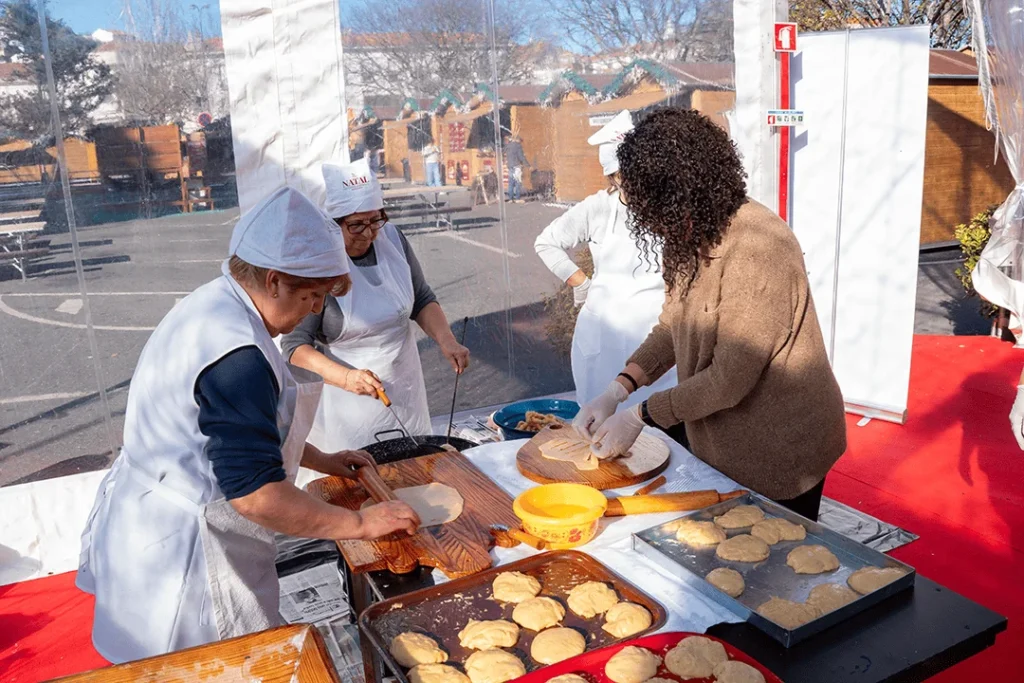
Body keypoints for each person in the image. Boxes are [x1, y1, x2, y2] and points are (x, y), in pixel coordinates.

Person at [76, 187, 420, 664]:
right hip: (186, 550)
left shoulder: (217, 302)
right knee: (210, 667)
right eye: (313, 295)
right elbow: (257, 496)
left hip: (151, 512)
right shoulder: (236, 355)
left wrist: (320, 458)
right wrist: (359, 523)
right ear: (275, 280)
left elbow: (236, 433)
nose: (316, 310)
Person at [573, 108, 847, 521]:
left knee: (769, 560)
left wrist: (640, 416)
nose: (650, 219)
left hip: (783, 447)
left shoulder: (760, 247)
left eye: (652, 203)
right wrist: (618, 389)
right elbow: (672, 325)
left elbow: (728, 380)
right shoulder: (687, 232)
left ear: (683, 189)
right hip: (720, 436)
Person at [282, 159, 469, 455]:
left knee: (415, 467)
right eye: (356, 225)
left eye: (375, 220)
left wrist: (447, 340)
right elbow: (294, 347)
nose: (369, 234)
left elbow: (421, 298)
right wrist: (346, 378)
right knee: (361, 480)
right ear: (333, 223)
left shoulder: (394, 240)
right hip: (348, 399)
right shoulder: (318, 264)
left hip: (405, 384)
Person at [534, 110, 675, 409]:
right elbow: (546, 242)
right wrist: (580, 281)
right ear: (612, 176)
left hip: (655, 339)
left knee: (655, 431)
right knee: (600, 429)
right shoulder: (597, 208)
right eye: (625, 177)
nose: (634, 185)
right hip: (603, 340)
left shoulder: (668, 207)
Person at [505, 134, 528, 202]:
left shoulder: (508, 146)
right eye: (520, 141)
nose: (520, 143)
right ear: (518, 140)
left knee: (511, 183)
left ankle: (510, 198)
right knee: (518, 182)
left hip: (510, 166)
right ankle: (517, 198)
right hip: (517, 166)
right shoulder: (518, 146)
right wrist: (528, 165)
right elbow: (521, 157)